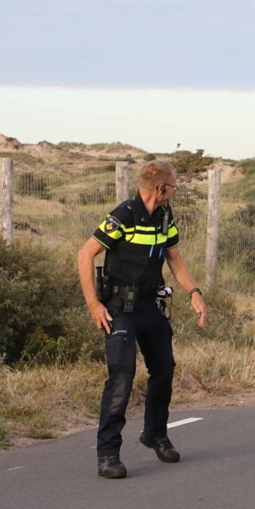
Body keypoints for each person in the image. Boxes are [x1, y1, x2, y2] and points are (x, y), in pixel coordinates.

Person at [77, 160, 208, 479]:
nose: (174, 192)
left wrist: (194, 292)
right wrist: (94, 303)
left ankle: (155, 433)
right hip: (119, 307)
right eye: (174, 186)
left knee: (164, 370)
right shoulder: (124, 214)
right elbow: (85, 253)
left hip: (151, 305)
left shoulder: (164, 216)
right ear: (162, 188)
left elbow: (174, 258)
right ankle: (107, 453)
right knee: (121, 376)